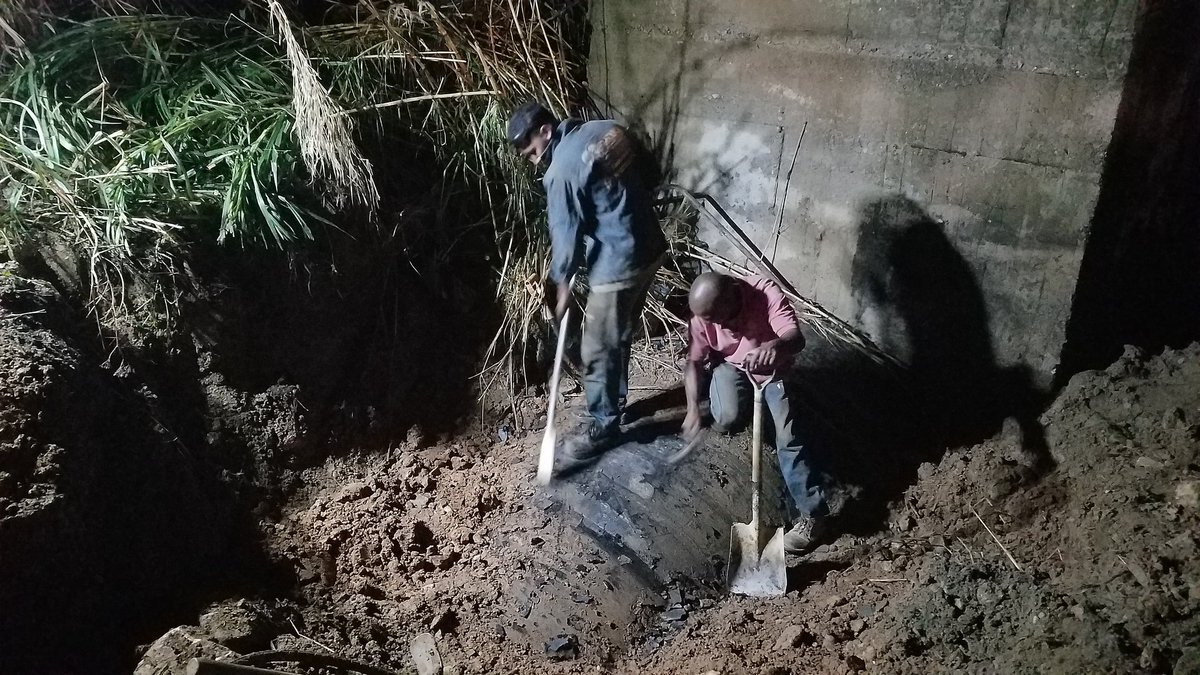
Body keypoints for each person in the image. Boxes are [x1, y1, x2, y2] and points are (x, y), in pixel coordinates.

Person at [507, 101, 667, 460]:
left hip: (618, 263)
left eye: (532, 151)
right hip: (650, 248)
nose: (534, 161)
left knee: (597, 345)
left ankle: (604, 425)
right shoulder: (607, 128)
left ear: (545, 131)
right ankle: (617, 399)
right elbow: (650, 173)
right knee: (620, 329)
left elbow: (565, 234)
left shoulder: (561, 170)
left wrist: (561, 284)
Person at [681, 271, 833, 553]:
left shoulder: (765, 295)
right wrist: (692, 409)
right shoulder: (703, 315)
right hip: (733, 365)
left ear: (733, 295)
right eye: (706, 319)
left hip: (774, 373)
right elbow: (693, 362)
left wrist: (777, 345)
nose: (710, 324)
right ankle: (728, 392)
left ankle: (813, 515)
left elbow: (795, 338)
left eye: (716, 317)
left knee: (788, 438)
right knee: (726, 418)